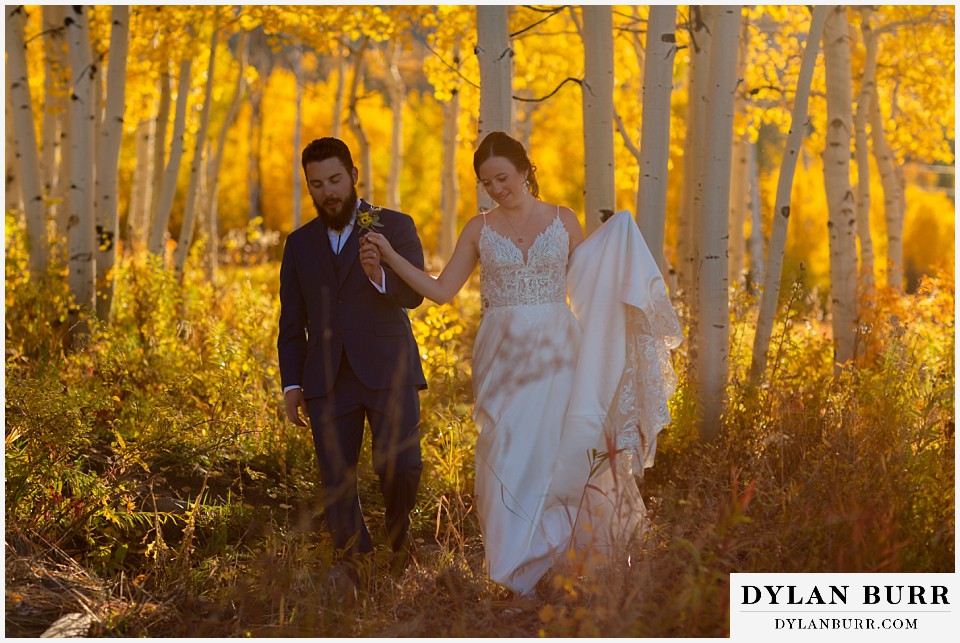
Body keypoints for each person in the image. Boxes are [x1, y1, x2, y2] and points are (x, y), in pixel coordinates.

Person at [363, 131, 683, 594]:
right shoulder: (478, 229)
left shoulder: (563, 219)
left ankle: (568, 562)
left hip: (559, 349)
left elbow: (589, 277)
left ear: (525, 171)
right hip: (503, 355)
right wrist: (390, 257)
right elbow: (440, 291)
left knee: (562, 449)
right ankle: (516, 573)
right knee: (508, 451)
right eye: (486, 182)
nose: (495, 188)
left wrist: (620, 241)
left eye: (502, 177)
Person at [277, 137, 426, 569]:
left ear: (354, 177)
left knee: (402, 464)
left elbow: (415, 295)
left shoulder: (394, 226)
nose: (328, 191)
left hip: (388, 367)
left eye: (336, 180)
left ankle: (400, 539)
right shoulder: (299, 243)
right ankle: (354, 560)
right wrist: (292, 383)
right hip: (326, 376)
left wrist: (380, 275)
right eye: (317, 183)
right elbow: (291, 321)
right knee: (336, 478)